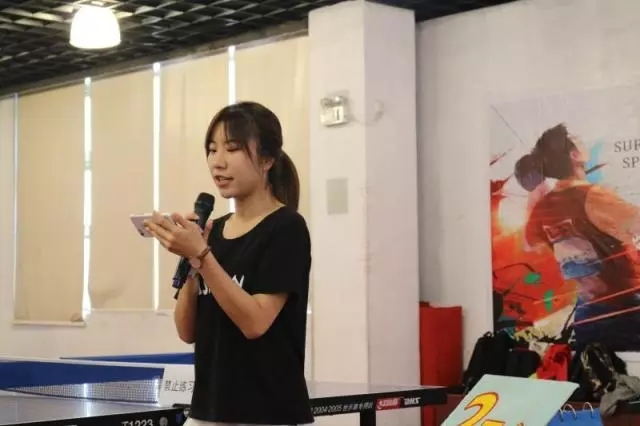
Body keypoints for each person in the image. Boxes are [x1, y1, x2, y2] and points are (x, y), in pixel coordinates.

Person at [144, 101, 314, 425]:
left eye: (232, 149)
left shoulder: (286, 228)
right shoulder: (213, 231)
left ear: (267, 159)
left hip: (267, 414)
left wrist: (202, 256)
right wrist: (192, 258)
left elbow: (255, 323)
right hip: (208, 410)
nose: (217, 161)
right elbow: (186, 331)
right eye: (212, 149)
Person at [514, 123, 640, 350]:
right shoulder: (593, 195)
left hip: (587, 311)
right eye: (573, 136)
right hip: (625, 307)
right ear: (574, 155)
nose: (580, 137)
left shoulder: (544, 205)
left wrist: (536, 197)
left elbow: (529, 243)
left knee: (592, 370)